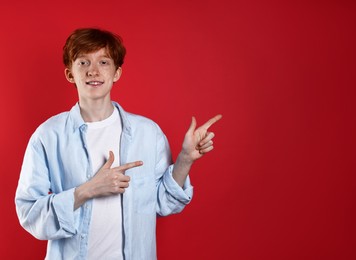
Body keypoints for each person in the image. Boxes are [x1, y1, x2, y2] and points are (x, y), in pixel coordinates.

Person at [15, 28, 221, 260]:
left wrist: (185, 159)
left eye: (103, 62)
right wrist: (88, 190)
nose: (93, 71)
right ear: (70, 74)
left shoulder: (148, 133)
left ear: (117, 73)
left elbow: (164, 202)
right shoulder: (48, 135)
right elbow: (29, 213)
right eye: (83, 62)